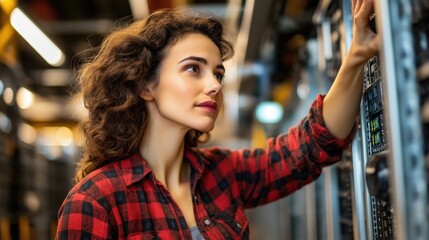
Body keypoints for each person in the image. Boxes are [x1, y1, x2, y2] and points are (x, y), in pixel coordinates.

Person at [56, 0, 379, 239]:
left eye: (218, 74)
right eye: (193, 68)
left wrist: (357, 56)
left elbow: (310, 147)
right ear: (145, 84)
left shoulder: (222, 172)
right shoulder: (95, 201)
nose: (214, 85)